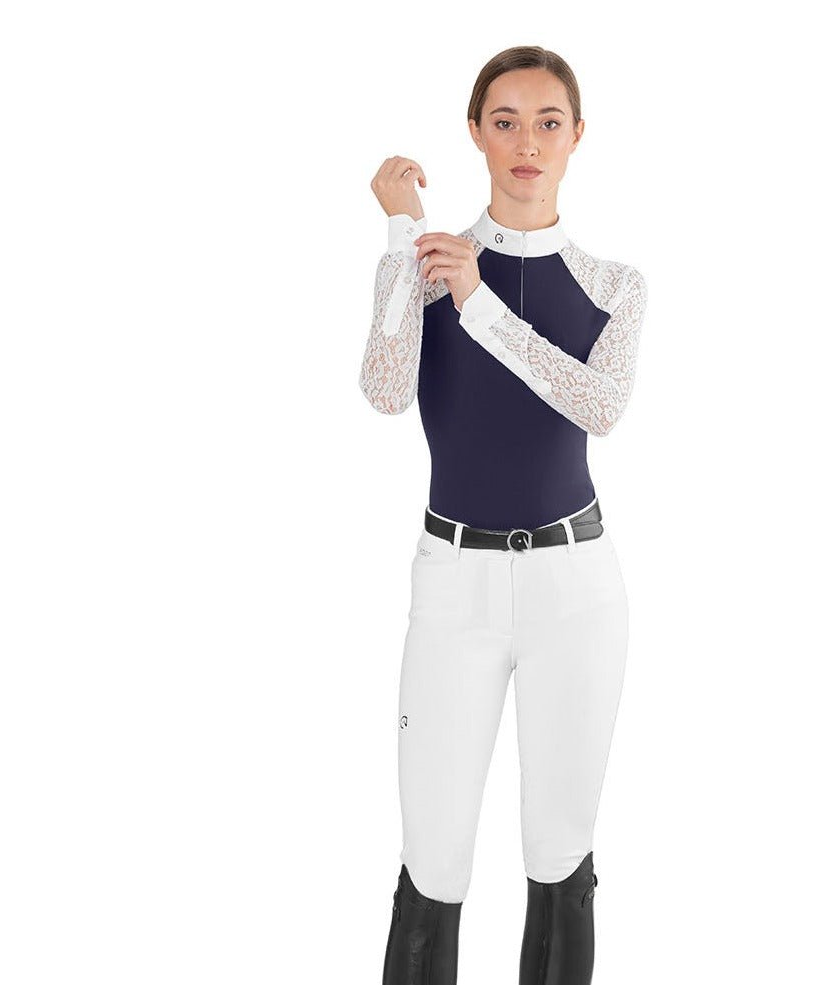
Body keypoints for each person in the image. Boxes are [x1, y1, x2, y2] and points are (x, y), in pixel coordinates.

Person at [359, 45, 648, 985]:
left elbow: (598, 407)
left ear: (576, 136)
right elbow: (384, 388)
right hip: (454, 587)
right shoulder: (428, 262)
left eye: (547, 122)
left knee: (560, 851)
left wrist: (479, 303)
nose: (527, 142)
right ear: (476, 134)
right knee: (432, 857)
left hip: (576, 589)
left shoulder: (613, 284)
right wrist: (403, 236)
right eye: (506, 122)